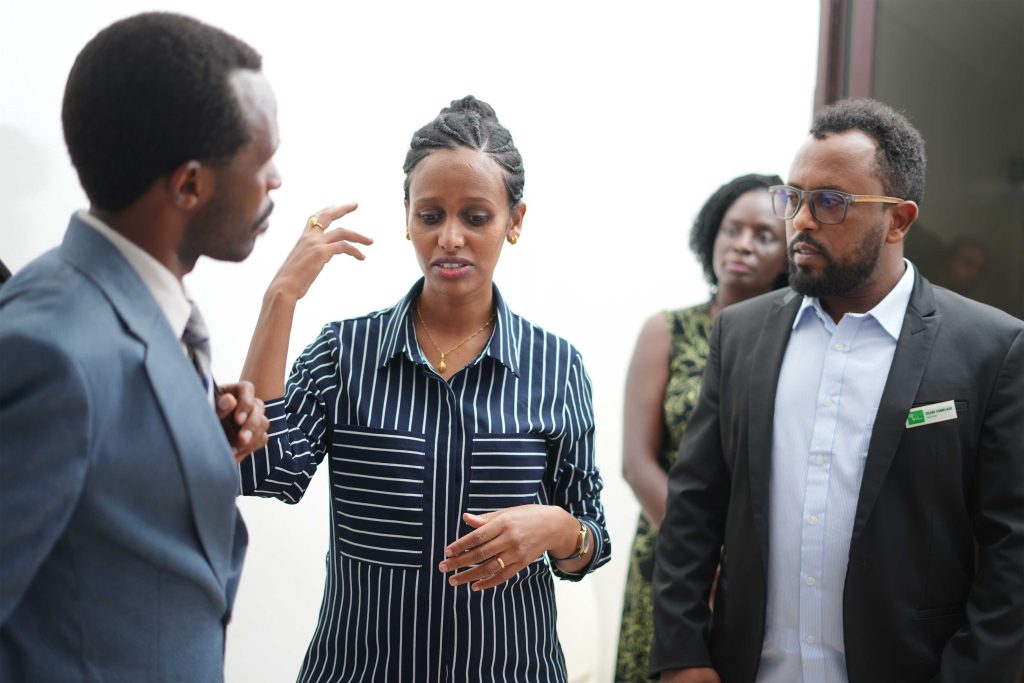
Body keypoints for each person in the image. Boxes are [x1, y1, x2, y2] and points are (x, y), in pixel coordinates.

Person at [650, 98, 1024, 683]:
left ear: (898, 220)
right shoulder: (742, 334)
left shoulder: (990, 347)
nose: (798, 220)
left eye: (830, 202)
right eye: (793, 197)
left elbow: (1013, 549)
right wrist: (683, 657)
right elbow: (694, 508)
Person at [239, 96, 611, 682]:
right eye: (431, 215)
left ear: (514, 222)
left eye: (477, 216)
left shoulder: (556, 367)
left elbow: (591, 542)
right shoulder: (344, 353)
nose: (450, 238)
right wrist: (279, 298)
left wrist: (557, 527)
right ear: (407, 216)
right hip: (359, 670)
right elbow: (262, 473)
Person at [0, 13, 275, 681]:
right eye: (262, 162)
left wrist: (193, 437)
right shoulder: (51, 350)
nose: (276, 181)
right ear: (188, 185)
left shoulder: (136, 303)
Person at [615, 174, 788, 682]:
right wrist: (700, 553)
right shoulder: (668, 329)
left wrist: (738, 561)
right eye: (732, 229)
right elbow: (636, 462)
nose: (742, 245)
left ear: (788, 255)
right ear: (711, 233)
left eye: (764, 236)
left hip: (758, 567)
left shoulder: (791, 340)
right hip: (671, 551)